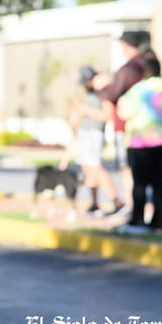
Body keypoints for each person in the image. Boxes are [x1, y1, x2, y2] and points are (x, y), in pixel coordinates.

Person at [116, 52, 162, 234]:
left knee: (140, 183)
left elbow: (124, 111)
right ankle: (159, 222)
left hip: (142, 142)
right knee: (160, 182)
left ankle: (138, 220)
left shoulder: (139, 90)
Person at [87, 30, 151, 211]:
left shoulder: (131, 68)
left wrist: (102, 86)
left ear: (127, 45)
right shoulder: (147, 64)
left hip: (127, 126)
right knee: (143, 171)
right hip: (147, 126)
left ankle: (134, 209)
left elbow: (113, 93)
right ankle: (145, 211)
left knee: (127, 170)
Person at [60, 65, 125, 217]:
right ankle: (95, 203)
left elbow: (107, 115)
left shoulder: (103, 90)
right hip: (85, 132)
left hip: (94, 133)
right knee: (87, 168)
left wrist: (86, 110)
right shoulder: (91, 93)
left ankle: (117, 201)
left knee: (95, 167)